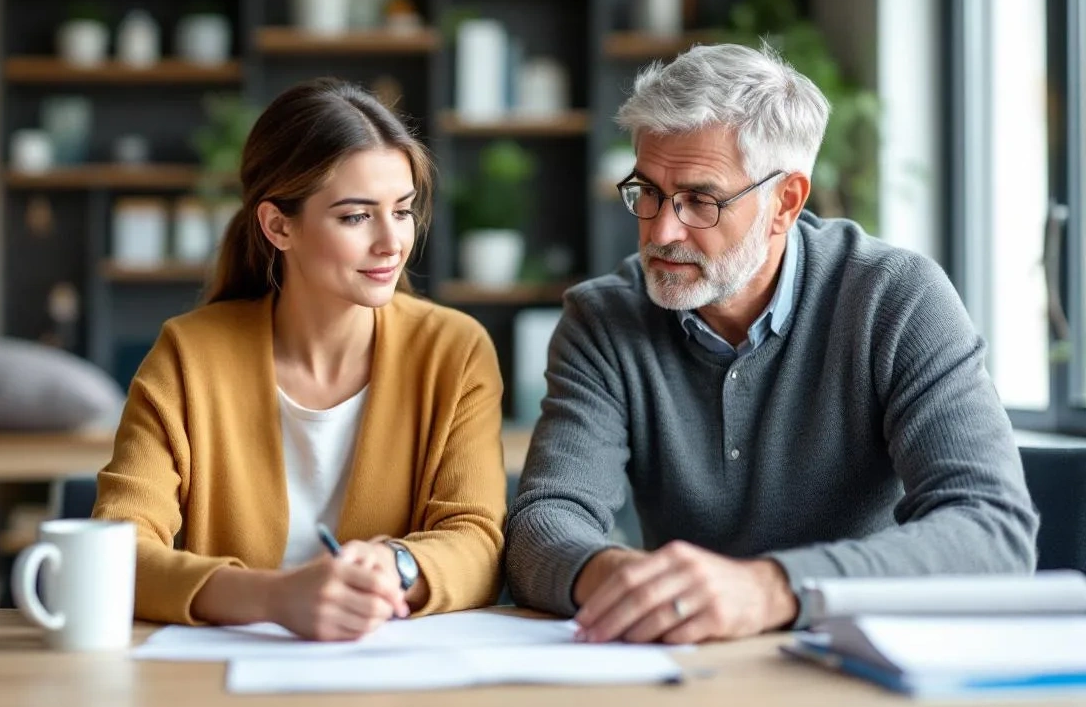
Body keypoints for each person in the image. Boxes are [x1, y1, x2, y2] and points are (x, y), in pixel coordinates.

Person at [505, 43, 1039, 645]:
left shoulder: (896, 299)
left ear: (784, 202)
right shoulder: (604, 318)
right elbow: (541, 525)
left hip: (864, 656)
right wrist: (622, 577)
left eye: (699, 200)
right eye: (646, 190)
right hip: (689, 665)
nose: (660, 229)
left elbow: (992, 531)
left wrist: (770, 589)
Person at [92, 79, 506, 640]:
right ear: (278, 225)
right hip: (219, 682)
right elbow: (118, 548)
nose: (392, 242)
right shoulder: (189, 355)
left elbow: (478, 539)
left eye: (402, 211)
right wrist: (273, 597)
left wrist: (399, 565)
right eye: (357, 217)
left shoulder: (455, 351)